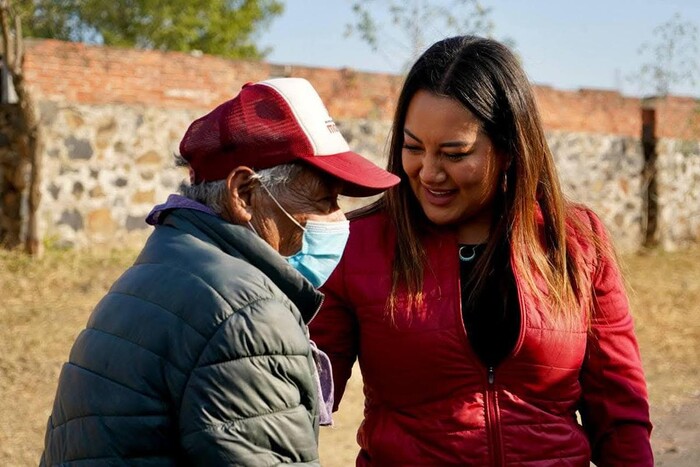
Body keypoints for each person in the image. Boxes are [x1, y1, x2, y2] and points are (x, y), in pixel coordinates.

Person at [310, 36, 653, 466]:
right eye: (413, 147)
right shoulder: (359, 245)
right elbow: (300, 403)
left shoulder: (577, 242)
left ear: (509, 149)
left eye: (455, 153)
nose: (429, 172)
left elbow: (621, 416)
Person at [40, 77, 399, 466]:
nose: (336, 219)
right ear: (244, 193)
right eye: (321, 200)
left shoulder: (159, 267)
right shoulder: (247, 316)